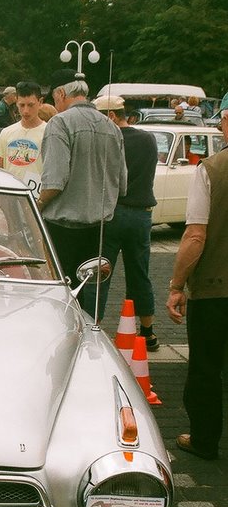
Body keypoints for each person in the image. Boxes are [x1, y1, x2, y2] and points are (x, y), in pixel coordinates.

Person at [166, 92, 228, 460]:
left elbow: (195, 235)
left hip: (215, 289)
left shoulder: (211, 169)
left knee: (206, 368)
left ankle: (205, 440)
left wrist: (176, 285)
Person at [37, 68, 127, 297]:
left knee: (61, 292)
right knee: (91, 293)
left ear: (60, 93)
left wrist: (36, 207)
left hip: (62, 228)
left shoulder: (59, 123)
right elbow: (123, 184)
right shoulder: (112, 128)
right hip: (99, 228)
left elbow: (54, 182)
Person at [83, 94, 159, 349]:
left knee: (100, 273)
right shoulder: (148, 140)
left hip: (111, 213)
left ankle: (93, 327)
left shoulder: (106, 142)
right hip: (141, 215)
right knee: (140, 274)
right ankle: (148, 332)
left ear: (112, 116)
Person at [0, 80, 46, 197]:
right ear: (16, 103)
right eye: (22, 105)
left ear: (40, 102)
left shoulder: (49, 133)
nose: (26, 111)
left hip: (37, 200)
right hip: (9, 197)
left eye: (31, 105)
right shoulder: (6, 132)